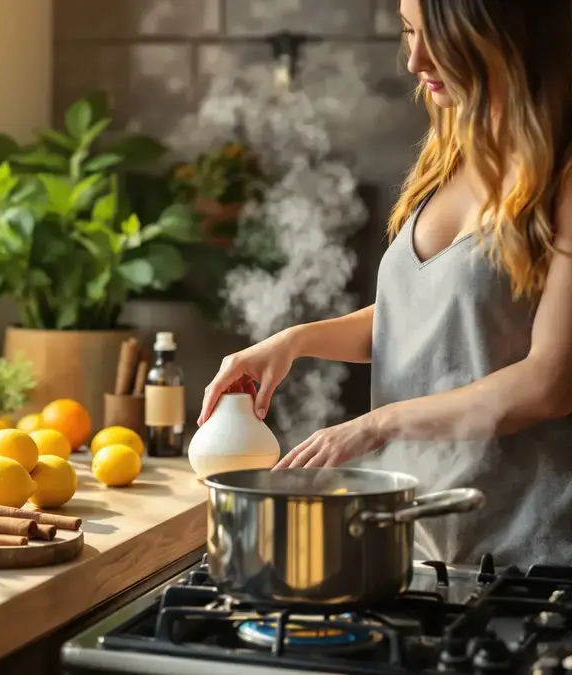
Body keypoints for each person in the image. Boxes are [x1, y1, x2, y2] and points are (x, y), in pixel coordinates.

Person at [198, 0, 572, 566]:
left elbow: (551, 381)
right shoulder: (452, 153)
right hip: (415, 540)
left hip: (523, 553)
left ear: (503, 35)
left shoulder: (564, 177)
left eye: (437, 37)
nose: (415, 60)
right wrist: (295, 340)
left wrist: (376, 426)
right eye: (408, 33)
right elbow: (428, 318)